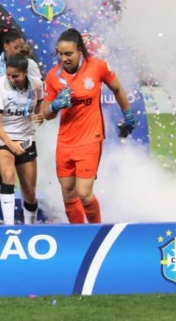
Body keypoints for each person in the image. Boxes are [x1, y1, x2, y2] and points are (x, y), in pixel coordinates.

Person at [42, 28, 133, 224]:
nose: (64, 58)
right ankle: (78, 234)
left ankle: (95, 230)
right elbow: (45, 114)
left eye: (69, 54)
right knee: (67, 193)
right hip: (65, 141)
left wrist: (128, 114)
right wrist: (55, 105)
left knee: (84, 192)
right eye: (60, 54)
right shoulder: (53, 77)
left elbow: (117, 88)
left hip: (90, 139)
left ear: (80, 51)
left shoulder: (97, 67)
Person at [0, 54, 44, 225]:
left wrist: (39, 116)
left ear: (25, 73)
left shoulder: (36, 84)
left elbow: (39, 107)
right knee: (7, 174)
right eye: (8, 75)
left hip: (26, 138)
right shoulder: (0, 85)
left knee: (29, 191)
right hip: (3, 137)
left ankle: (30, 227)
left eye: (16, 76)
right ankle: (8, 226)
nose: (11, 79)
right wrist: (10, 144)